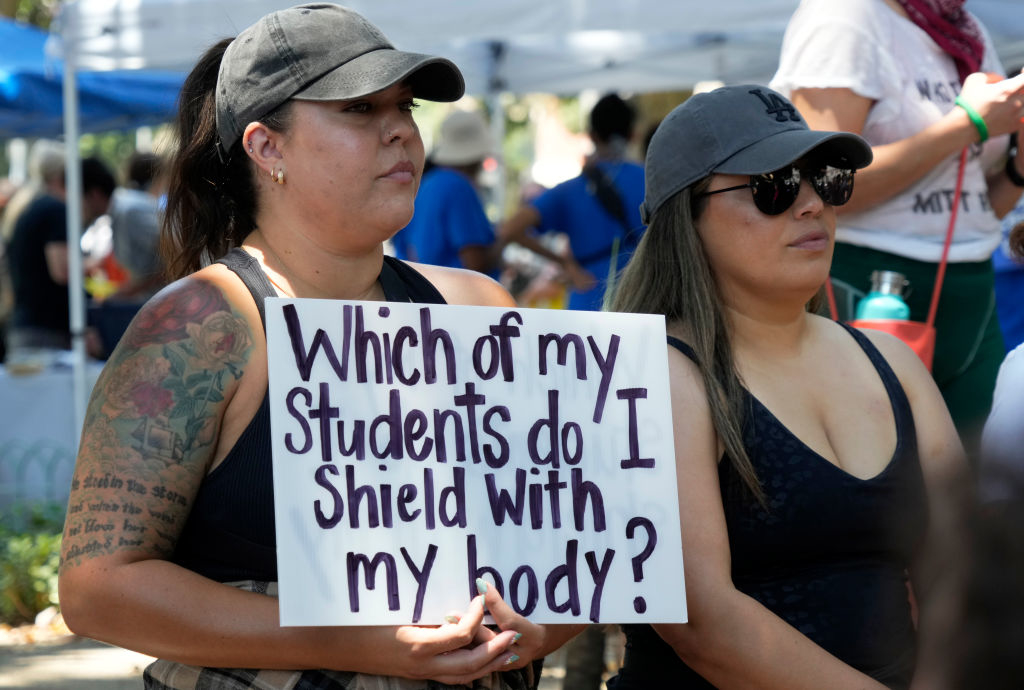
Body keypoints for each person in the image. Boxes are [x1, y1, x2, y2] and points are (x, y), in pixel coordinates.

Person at [56, 5, 578, 689]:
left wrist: (545, 623)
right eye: (360, 109)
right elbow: (95, 590)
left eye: (405, 105)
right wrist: (354, 643)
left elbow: (568, 549)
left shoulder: (479, 308)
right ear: (267, 148)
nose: (400, 130)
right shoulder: (201, 328)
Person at [604, 85, 965, 689]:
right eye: (773, 187)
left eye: (826, 180)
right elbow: (700, 619)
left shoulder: (894, 364)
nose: (810, 206)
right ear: (685, 216)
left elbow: (963, 566)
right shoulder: (659, 372)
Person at [769, 0, 1024, 457]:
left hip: (970, 289)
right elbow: (821, 185)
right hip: (868, 282)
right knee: (880, 487)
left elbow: (973, 203)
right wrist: (968, 124)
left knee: (978, 495)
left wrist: (1019, 170)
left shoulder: (965, 28)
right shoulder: (845, 17)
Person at [498, 94, 645, 311]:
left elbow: (509, 230)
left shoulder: (570, 190)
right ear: (633, 135)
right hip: (641, 297)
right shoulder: (651, 180)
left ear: (592, 136)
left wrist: (566, 264)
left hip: (588, 302)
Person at [6, 156, 115, 352]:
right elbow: (63, 271)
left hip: (31, 329)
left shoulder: (37, 206)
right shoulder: (56, 210)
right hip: (44, 334)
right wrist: (94, 263)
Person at [391, 109, 500, 276]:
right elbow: (475, 264)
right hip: (457, 297)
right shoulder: (458, 187)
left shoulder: (425, 183)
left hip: (424, 293)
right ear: (477, 157)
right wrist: (508, 237)